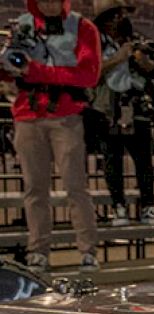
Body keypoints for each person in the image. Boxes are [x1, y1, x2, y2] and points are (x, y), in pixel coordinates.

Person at [1, 0, 101, 273]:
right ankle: (38, 252)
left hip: (66, 116)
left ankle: (87, 251)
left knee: (75, 187)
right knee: (34, 190)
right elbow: (10, 72)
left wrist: (36, 71)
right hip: (27, 116)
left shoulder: (82, 27)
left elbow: (88, 75)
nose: (48, 5)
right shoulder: (21, 26)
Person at [92, 0, 154, 227]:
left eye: (122, 15)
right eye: (115, 15)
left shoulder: (135, 43)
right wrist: (118, 58)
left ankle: (148, 206)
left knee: (144, 161)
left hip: (137, 108)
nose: (120, 19)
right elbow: (92, 74)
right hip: (108, 110)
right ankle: (119, 208)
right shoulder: (95, 45)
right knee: (112, 160)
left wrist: (141, 60)